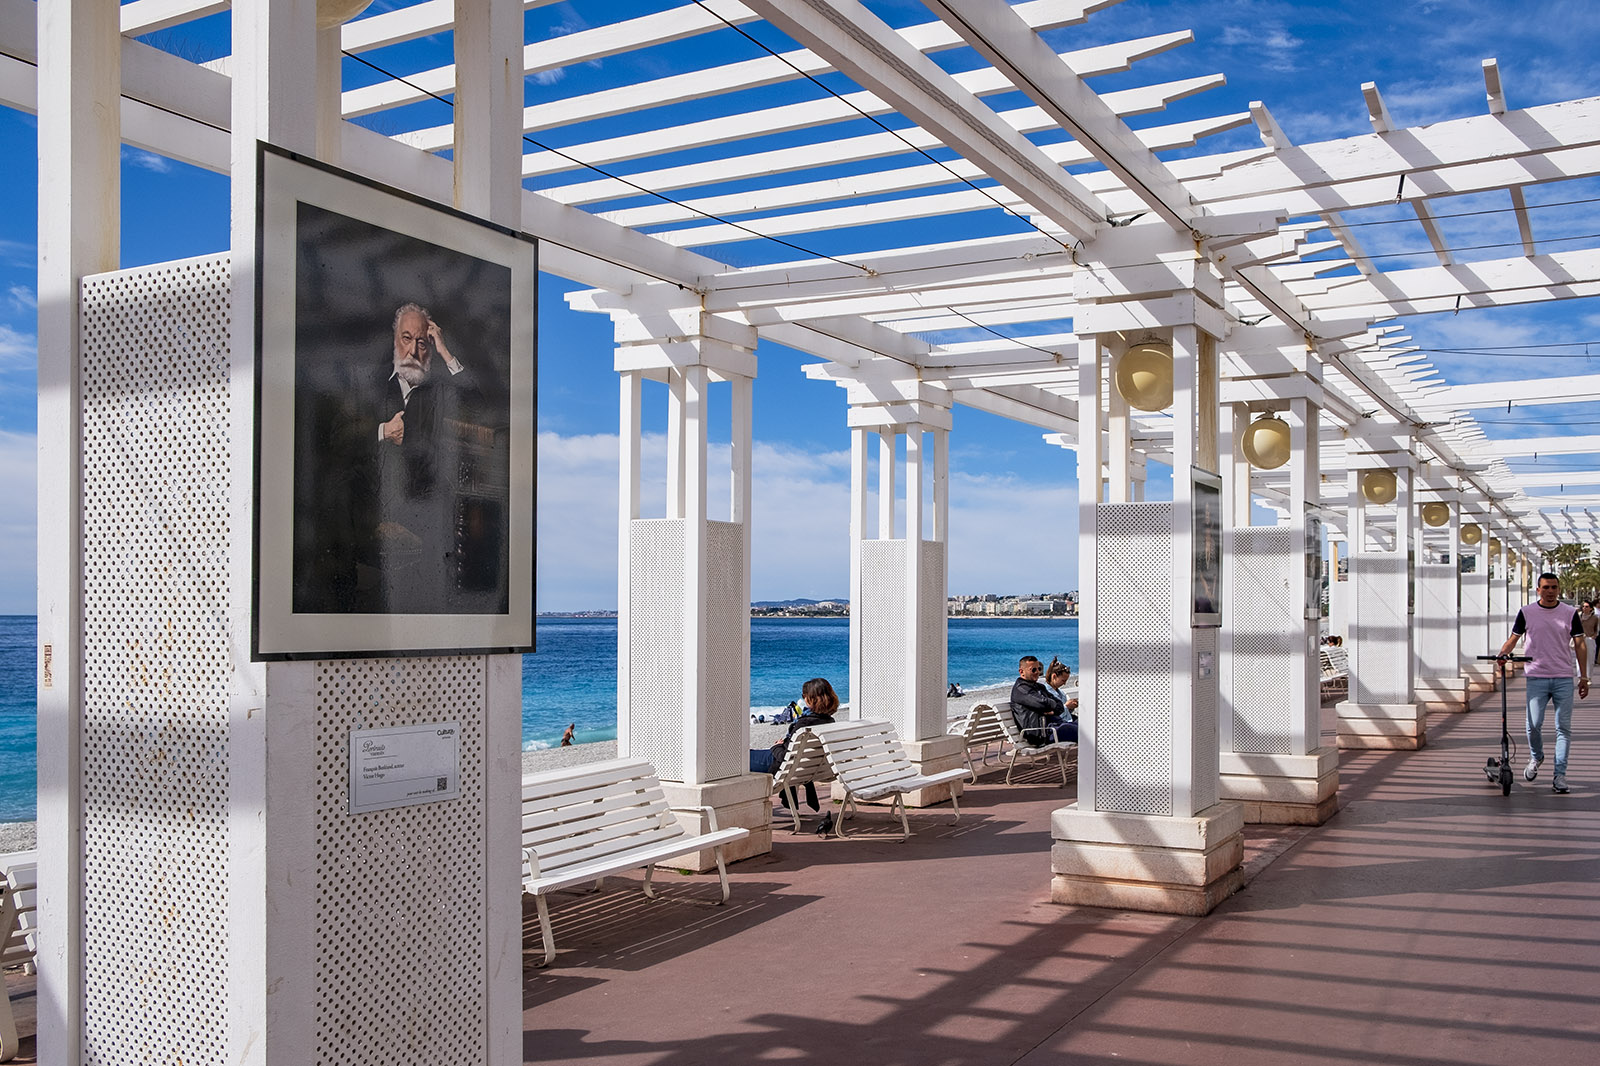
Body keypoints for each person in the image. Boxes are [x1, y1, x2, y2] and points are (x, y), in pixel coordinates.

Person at [1497, 572, 1588, 794]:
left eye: (1554, 587)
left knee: (1563, 728)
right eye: (1546, 587)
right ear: (1538, 589)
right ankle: (1536, 757)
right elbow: (1513, 639)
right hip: (1536, 676)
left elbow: (1580, 645)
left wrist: (1584, 676)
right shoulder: (1527, 612)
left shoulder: (1569, 613)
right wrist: (1502, 653)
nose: (1550, 591)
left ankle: (1560, 776)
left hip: (1563, 677)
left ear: (1559, 590)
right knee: (1533, 725)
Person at [750, 678, 839, 820]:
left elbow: (785, 757)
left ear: (812, 699)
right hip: (803, 769)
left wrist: (776, 746)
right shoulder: (829, 721)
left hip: (778, 764)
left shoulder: (805, 724)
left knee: (741, 757)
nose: (803, 699)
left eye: (805, 696)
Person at [1010, 655, 1078, 745]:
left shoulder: (1040, 687)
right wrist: (1047, 707)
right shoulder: (1021, 690)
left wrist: (1051, 710)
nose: (1037, 672)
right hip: (1042, 733)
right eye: (1033, 670)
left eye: (1039, 669)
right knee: (1086, 732)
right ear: (1021, 672)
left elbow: (1059, 706)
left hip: (1055, 725)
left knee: (1089, 726)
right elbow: (1043, 703)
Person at [1584, 601, 1600, 667]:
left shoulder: (1595, 617)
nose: (1584, 608)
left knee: (1590, 656)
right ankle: (1582, 675)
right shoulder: (1579, 616)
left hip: (1591, 638)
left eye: (1586, 607)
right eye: (1583, 606)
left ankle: (1588, 675)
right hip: (1582, 638)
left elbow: (1597, 628)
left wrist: (1595, 635)